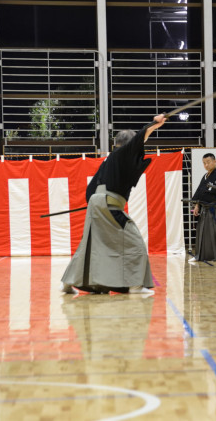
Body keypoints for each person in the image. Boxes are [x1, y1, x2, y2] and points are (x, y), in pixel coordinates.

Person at [61, 114, 166, 295]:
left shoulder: (110, 159)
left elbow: (91, 190)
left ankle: (67, 283)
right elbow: (139, 138)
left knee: (91, 246)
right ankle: (135, 285)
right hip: (108, 206)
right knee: (134, 242)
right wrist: (155, 124)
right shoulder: (122, 154)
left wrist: (97, 203)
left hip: (99, 204)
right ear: (128, 145)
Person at [190, 153, 216, 262]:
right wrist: (197, 205)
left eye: (208, 162)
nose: (206, 165)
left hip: (215, 210)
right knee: (203, 234)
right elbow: (199, 192)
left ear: (214, 161)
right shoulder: (205, 176)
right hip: (204, 209)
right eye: (204, 163)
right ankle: (202, 256)